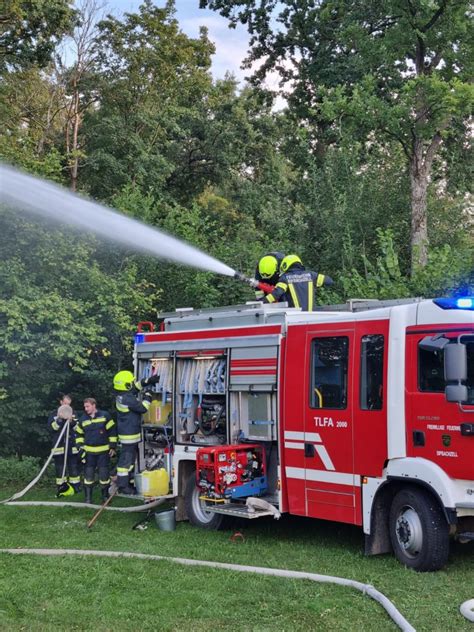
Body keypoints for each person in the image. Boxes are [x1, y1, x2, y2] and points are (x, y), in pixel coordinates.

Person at [113, 370, 160, 495]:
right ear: (126, 385)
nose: (132, 383)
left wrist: (148, 381)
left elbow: (135, 388)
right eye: (130, 382)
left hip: (127, 434)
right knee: (126, 462)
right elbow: (143, 408)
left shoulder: (123, 396)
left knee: (128, 460)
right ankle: (123, 486)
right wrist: (148, 396)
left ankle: (126, 481)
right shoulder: (127, 399)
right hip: (129, 435)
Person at [75, 398, 117, 503]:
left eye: (87, 406)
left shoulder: (105, 416)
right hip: (89, 453)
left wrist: (112, 446)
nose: (86, 409)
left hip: (103, 452)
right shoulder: (83, 419)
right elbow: (79, 434)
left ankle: (105, 497)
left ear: (94, 405)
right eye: (85, 407)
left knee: (104, 475)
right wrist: (80, 446)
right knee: (88, 476)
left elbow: (112, 431)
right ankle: (88, 499)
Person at [263, 254, 334, 311]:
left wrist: (262, 302)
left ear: (285, 265)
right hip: (311, 317)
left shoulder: (285, 278)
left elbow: (277, 293)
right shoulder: (311, 275)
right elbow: (329, 281)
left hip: (294, 318)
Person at [47, 394, 81, 496]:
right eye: (65, 404)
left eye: (69, 404)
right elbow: (51, 428)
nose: (67, 407)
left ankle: (75, 488)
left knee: (73, 467)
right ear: (61, 402)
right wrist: (60, 420)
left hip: (72, 446)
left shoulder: (74, 414)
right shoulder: (54, 414)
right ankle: (62, 488)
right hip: (59, 446)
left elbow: (79, 429)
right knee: (60, 468)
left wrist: (72, 422)